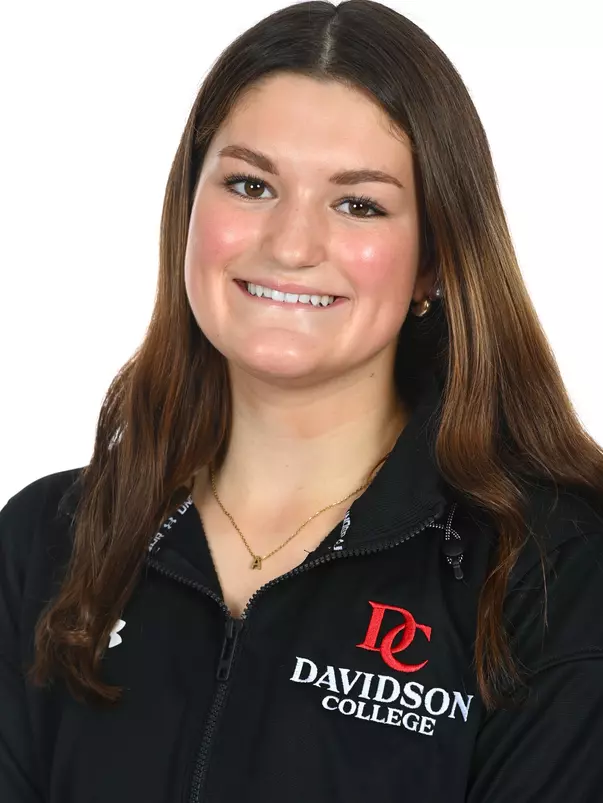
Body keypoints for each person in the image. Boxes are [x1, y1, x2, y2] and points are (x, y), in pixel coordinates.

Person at [1, 1, 603, 801]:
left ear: (432, 262)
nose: (289, 245)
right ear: (189, 211)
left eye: (358, 203)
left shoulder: (549, 575)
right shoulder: (46, 542)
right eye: (250, 184)